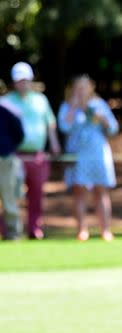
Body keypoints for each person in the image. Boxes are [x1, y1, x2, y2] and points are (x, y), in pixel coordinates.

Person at [2, 62, 61, 240]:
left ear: (30, 80)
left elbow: (50, 123)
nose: (22, 83)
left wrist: (54, 142)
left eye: (25, 80)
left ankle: (35, 229)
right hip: (13, 156)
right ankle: (9, 230)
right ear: (14, 82)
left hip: (37, 155)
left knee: (36, 194)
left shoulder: (40, 100)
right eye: (19, 80)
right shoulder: (5, 102)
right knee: (10, 195)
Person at [58, 75, 119, 241]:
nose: (81, 91)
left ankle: (105, 229)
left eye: (84, 87)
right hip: (78, 154)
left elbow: (113, 128)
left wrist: (103, 119)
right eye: (78, 87)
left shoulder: (99, 105)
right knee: (80, 191)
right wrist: (73, 108)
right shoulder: (68, 106)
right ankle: (82, 229)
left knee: (101, 190)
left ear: (91, 88)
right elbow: (64, 127)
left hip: (98, 153)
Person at [0, 99, 25, 241]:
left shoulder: (8, 109)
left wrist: (7, 148)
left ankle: (13, 234)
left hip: (5, 159)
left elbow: (19, 134)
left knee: (9, 198)